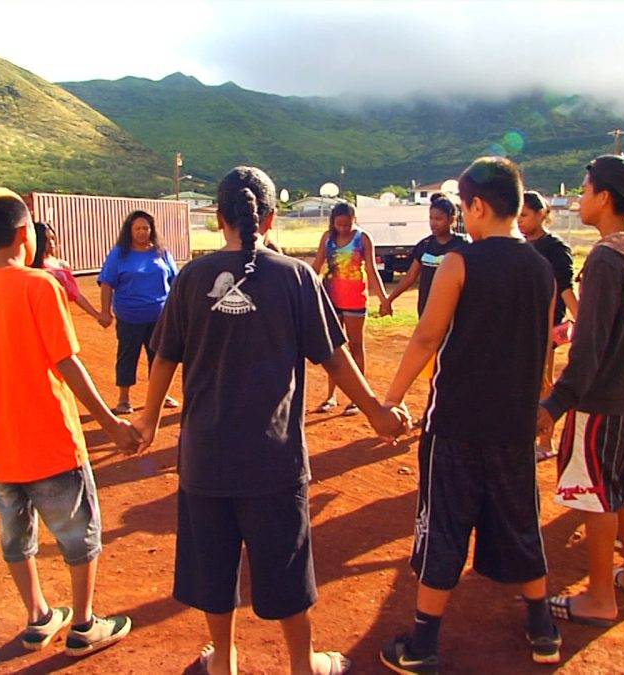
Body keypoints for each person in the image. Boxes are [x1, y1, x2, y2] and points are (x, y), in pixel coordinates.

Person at [132, 166, 410, 675]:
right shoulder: (295, 276)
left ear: (219, 219)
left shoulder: (193, 278)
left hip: (205, 458)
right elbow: (334, 355)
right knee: (286, 568)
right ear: (271, 216)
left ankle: (223, 664)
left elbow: (164, 357)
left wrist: (148, 423)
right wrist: (375, 413)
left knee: (213, 568)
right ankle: (303, 666)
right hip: (274, 459)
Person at [379, 157, 561, 671]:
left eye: (464, 206)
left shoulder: (462, 262)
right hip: (514, 426)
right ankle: (543, 629)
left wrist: (391, 399)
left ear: (478, 206)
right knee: (522, 520)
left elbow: (427, 337)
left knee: (443, 528)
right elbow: (543, 349)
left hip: (456, 424)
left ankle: (422, 644)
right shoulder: (541, 268)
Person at [0, 188, 138, 656]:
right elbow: (67, 364)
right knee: (80, 533)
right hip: (51, 440)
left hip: (0, 446)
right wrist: (112, 426)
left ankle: (38, 616)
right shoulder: (41, 286)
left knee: (17, 537)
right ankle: (83, 623)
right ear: (24, 234)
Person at [537, 154, 624, 625]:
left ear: (604, 197)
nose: (581, 199)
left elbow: (589, 352)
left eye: (586, 190)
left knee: (596, 496)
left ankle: (598, 599)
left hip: (602, 402)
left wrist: (554, 404)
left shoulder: (608, 258)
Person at [518, 190, 580, 461]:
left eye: (525, 215)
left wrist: (583, 322)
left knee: (544, 381)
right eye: (517, 215)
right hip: (521, 321)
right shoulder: (520, 245)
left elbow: (565, 287)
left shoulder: (555, 248)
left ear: (542, 214)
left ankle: (546, 441)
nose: (520, 221)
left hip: (547, 324)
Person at [312, 202, 390, 416]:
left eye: (347, 224)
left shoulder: (362, 238)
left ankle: (358, 399)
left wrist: (384, 299)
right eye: (339, 225)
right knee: (333, 348)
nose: (344, 228)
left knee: (356, 346)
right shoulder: (327, 238)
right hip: (331, 298)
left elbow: (372, 271)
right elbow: (316, 266)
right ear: (333, 222)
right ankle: (330, 396)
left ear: (354, 220)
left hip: (355, 298)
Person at [98, 210, 179, 414]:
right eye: (137, 228)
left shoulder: (161, 252)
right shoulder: (119, 254)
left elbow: (175, 282)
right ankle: (123, 400)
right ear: (130, 231)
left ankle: (161, 396)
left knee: (161, 357)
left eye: (146, 228)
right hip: (129, 317)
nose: (142, 232)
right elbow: (107, 283)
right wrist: (105, 312)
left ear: (151, 230)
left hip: (159, 317)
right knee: (127, 357)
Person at [379, 193, 469, 319]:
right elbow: (410, 276)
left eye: (438, 219)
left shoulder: (463, 246)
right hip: (426, 309)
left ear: (452, 219)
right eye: (431, 218)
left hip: (453, 311)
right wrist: (389, 300)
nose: (433, 223)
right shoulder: (424, 245)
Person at [32, 222, 106, 325]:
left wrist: (97, 315)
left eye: (53, 238)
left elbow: (76, 295)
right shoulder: (29, 267)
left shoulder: (62, 266)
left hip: (58, 319)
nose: (51, 243)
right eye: (46, 240)